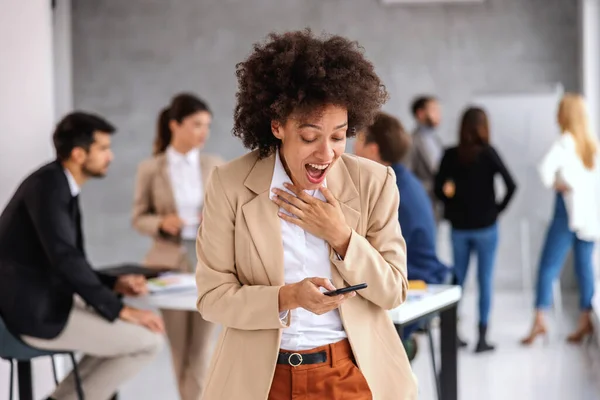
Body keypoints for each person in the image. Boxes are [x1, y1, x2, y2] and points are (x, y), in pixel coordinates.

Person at [195, 30, 417, 400]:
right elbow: (212, 297)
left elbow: (394, 291)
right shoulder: (230, 184)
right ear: (277, 126)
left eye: (339, 136)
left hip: (350, 374)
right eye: (310, 136)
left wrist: (342, 237)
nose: (326, 153)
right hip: (260, 381)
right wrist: (287, 297)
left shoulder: (374, 182)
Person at [0, 112, 164, 400]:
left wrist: (113, 285)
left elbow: (67, 258)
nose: (110, 156)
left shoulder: (56, 183)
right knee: (147, 343)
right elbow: (65, 259)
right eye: (103, 148)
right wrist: (119, 308)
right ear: (78, 154)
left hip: (43, 302)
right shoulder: (50, 187)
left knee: (130, 339)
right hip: (31, 314)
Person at [132, 93, 223, 400]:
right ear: (175, 125)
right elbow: (138, 217)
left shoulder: (215, 166)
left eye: (207, 125)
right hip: (167, 264)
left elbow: (228, 214)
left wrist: (210, 218)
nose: (203, 132)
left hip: (208, 262)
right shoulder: (151, 168)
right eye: (197, 124)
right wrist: (161, 223)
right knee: (179, 350)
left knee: (201, 349)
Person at [354, 112, 451, 358]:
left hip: (414, 279)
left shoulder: (388, 188)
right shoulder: (403, 180)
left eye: (358, 139)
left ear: (373, 149)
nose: (351, 146)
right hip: (422, 273)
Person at [434, 107, 516, 353]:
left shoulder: (450, 154)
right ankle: (482, 338)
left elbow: (439, 190)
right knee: (485, 281)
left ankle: (453, 334)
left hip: (459, 228)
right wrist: (496, 210)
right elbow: (511, 185)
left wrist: (452, 201)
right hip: (486, 228)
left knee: (457, 281)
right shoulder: (489, 154)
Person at [521, 94, 600, 345]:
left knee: (548, 265)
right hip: (588, 214)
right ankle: (585, 320)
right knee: (585, 267)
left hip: (567, 212)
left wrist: (559, 184)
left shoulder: (564, 142)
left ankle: (539, 320)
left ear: (565, 115)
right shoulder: (591, 144)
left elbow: (544, 170)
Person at [408, 95, 444, 219]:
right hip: (421, 204)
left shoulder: (435, 139)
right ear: (421, 113)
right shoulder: (411, 141)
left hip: (436, 204)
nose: (439, 114)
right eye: (434, 110)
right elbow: (407, 176)